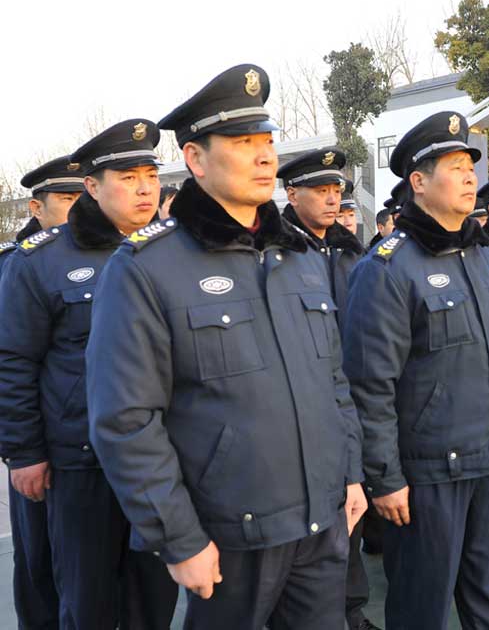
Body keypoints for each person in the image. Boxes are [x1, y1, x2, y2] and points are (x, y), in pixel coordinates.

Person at [86, 64, 366, 627]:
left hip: (321, 522)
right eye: (243, 143)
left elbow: (332, 381)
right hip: (227, 534)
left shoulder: (298, 257)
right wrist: (180, 539)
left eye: (267, 142)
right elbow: (126, 420)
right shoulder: (146, 269)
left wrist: (351, 471)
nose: (265, 157)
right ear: (195, 158)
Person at [343, 111, 489, 630]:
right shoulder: (387, 269)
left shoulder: (487, 259)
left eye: (471, 167)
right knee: (423, 606)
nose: (470, 177)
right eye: (455, 167)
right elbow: (370, 386)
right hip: (427, 474)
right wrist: (385, 479)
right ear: (419, 182)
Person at [0, 122, 179, 629]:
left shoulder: (175, 251)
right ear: (92, 187)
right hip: (81, 462)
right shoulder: (41, 261)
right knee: (87, 600)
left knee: (154, 597)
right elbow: (13, 360)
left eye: (150, 175)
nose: (145, 188)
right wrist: (25, 453)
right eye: (128, 177)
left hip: (162, 460)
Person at [276, 146, 377, 630]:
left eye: (336, 189)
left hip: (352, 397)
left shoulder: (351, 252)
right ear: (292, 194)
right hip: (304, 402)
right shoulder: (277, 252)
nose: (332, 199)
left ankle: (349, 609)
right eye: (320, 190)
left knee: (351, 511)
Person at [0, 155, 84, 630]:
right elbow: (10, 363)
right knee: (39, 561)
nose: (80, 208)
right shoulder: (17, 266)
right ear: (37, 206)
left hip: (91, 445)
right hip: (41, 443)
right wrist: (21, 449)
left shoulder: (116, 257)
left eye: (85, 197)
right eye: (68, 199)